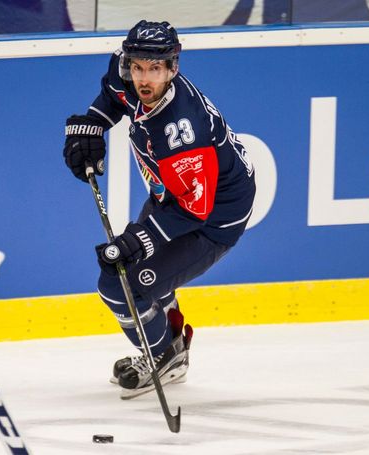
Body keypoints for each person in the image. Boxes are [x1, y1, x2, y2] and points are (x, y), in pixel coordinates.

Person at [63, 20, 256, 398]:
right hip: (175, 195)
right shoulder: (129, 74)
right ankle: (171, 345)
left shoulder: (184, 132)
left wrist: (139, 239)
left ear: (172, 68)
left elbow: (194, 210)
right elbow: (112, 96)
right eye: (137, 67)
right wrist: (92, 126)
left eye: (154, 69)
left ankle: (164, 357)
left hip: (212, 217)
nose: (143, 79)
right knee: (136, 271)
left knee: (120, 285)